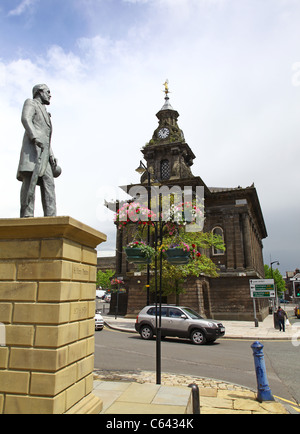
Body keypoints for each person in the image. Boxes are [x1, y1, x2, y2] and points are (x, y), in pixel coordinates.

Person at [17, 84, 61, 218]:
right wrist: (34, 137)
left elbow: (46, 136)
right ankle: (27, 215)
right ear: (39, 92)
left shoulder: (46, 112)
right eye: (48, 92)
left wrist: (51, 154)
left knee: (49, 184)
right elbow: (26, 119)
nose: (50, 95)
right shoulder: (31, 103)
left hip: (45, 153)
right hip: (32, 151)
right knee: (29, 182)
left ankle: (51, 216)